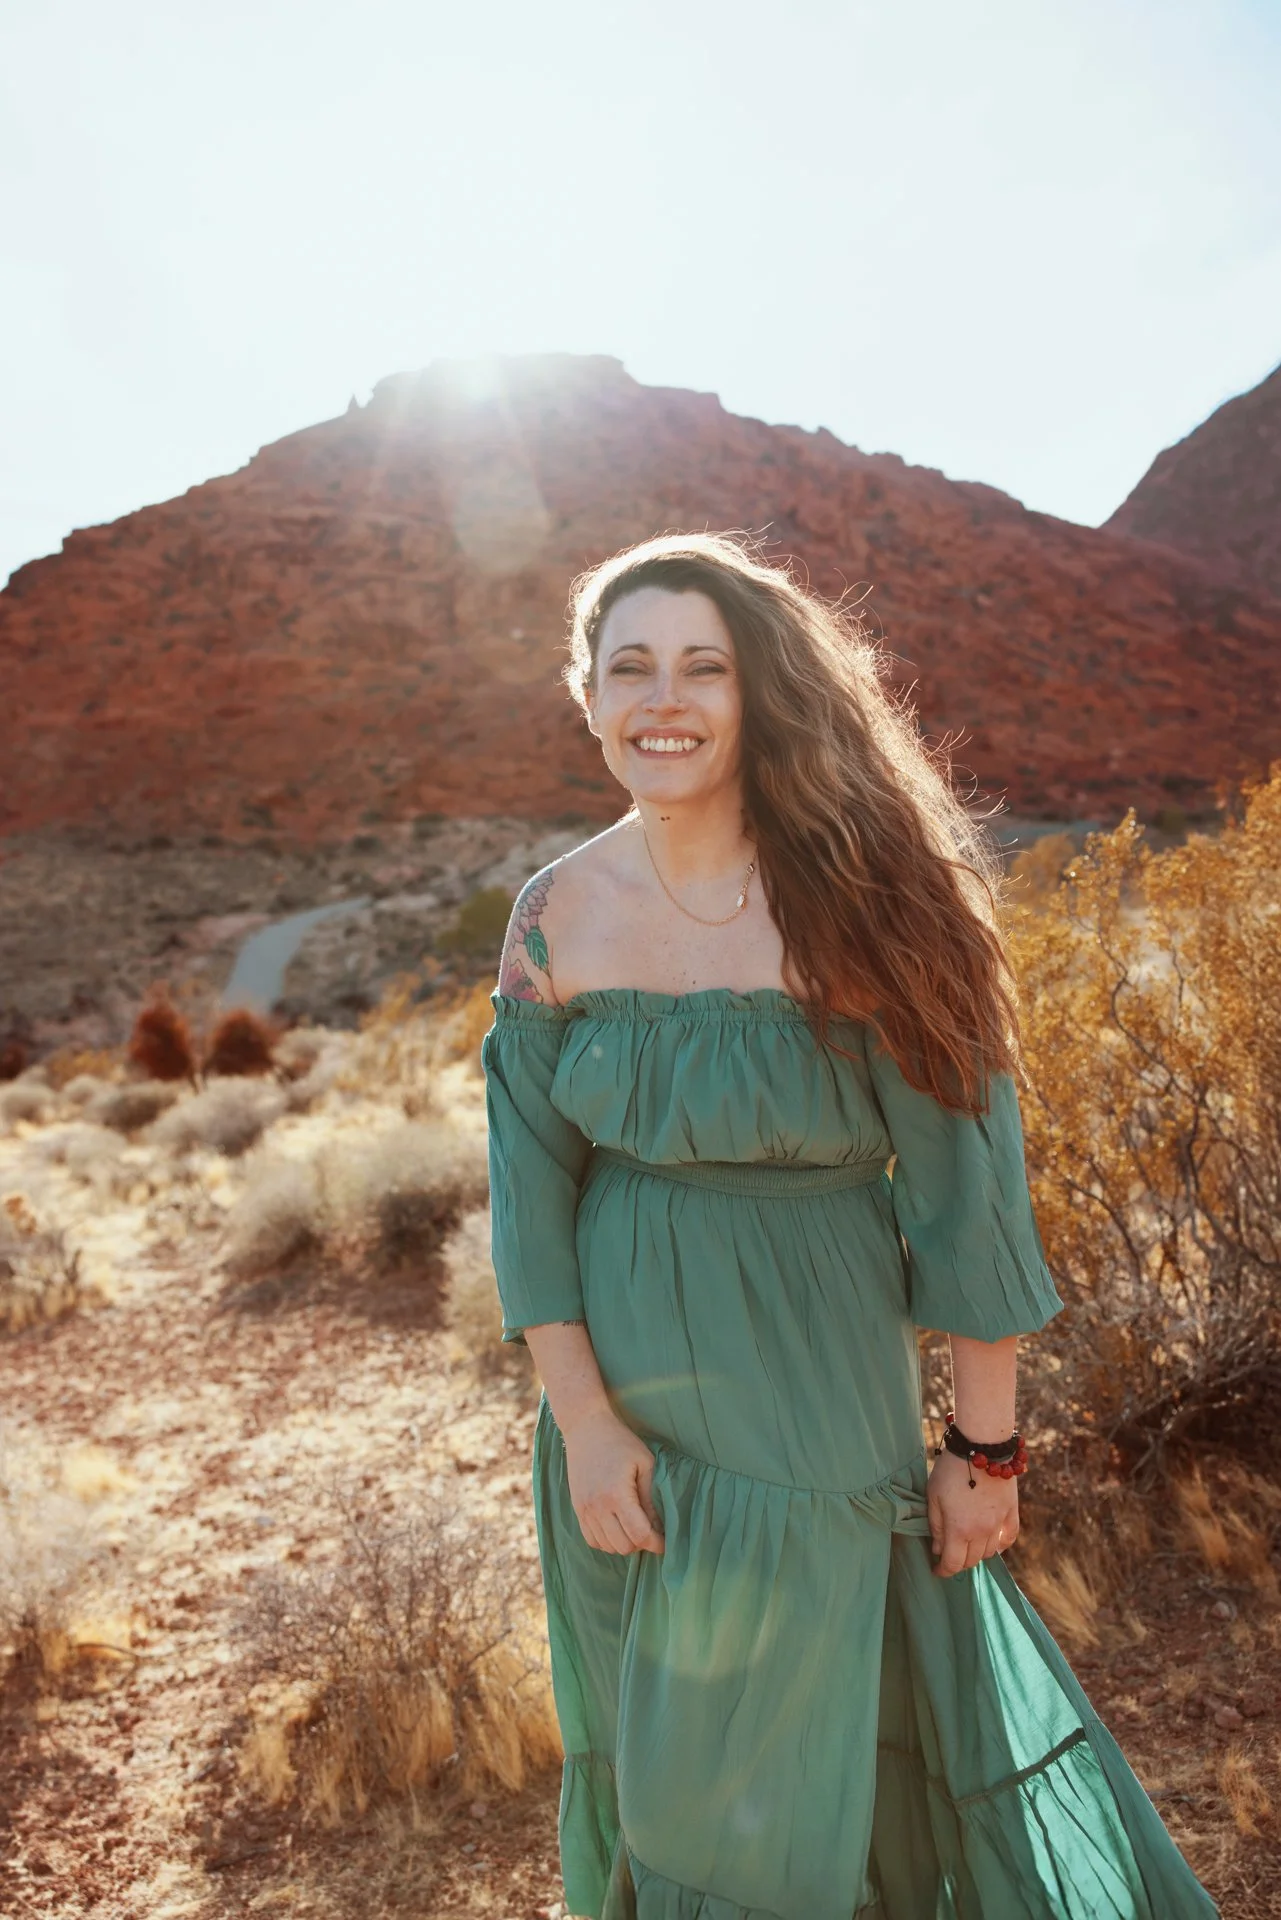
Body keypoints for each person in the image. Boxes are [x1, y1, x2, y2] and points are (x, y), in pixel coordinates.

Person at [480, 532, 1220, 1920]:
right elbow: (530, 1195)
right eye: (630, 667)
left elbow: (964, 1192)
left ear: (756, 689)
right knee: (664, 1770)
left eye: (703, 667)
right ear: (587, 696)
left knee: (812, 1755)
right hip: (621, 1419)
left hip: (816, 1397)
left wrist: (984, 1448)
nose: (664, 700)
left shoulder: (866, 893)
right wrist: (583, 1423)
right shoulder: (552, 914)